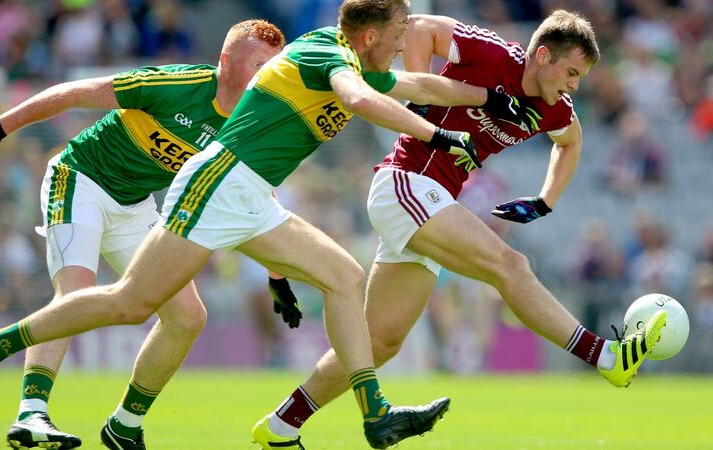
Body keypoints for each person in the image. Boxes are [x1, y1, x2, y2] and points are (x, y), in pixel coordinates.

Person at [0, 1, 540, 448]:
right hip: (219, 181)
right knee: (131, 303)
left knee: (342, 275)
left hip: (250, 195)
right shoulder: (328, 56)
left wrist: (488, 98)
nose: (405, 44)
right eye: (397, 37)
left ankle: (375, 413)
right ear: (367, 36)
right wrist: (438, 132)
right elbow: (359, 101)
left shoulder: (363, 64)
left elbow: (418, 83)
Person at [253, 10, 668, 446]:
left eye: (580, 77)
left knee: (379, 342)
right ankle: (605, 356)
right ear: (542, 55)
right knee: (510, 265)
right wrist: (420, 95)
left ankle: (281, 426)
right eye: (570, 72)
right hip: (405, 181)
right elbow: (418, 29)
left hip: (428, 201)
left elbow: (571, 142)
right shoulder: (494, 56)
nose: (574, 86)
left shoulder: (554, 108)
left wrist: (545, 200)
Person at [0, 19, 292, 450]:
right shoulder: (177, 85)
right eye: (257, 64)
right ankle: (32, 414)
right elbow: (74, 92)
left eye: (272, 68)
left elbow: (260, 198)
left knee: (188, 316)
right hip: (80, 178)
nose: (264, 76)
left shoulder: (253, 119)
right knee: (75, 295)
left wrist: (278, 273)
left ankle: (124, 424)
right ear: (224, 61)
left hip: (135, 205)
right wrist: (0, 127)